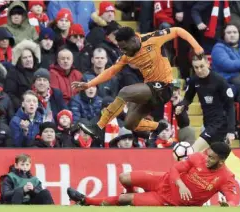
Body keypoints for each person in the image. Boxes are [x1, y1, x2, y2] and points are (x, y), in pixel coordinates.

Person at [72, 26, 203, 139]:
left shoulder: (152, 38)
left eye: (125, 47)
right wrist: (89, 84)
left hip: (164, 87)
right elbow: (111, 71)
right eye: (121, 48)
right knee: (130, 124)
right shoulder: (126, 56)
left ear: (134, 39)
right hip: (150, 91)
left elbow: (178, 30)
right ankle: (158, 126)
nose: (123, 51)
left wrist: (196, 46)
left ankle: (98, 126)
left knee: (124, 92)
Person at [177, 53, 240, 205]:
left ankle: (186, 189)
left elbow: (230, 107)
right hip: (208, 124)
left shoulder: (219, 81)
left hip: (219, 125)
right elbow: (188, 97)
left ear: (208, 64)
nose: (199, 70)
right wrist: (182, 105)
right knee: (226, 161)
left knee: (192, 152)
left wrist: (231, 130)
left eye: (202, 66)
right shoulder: (194, 81)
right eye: (196, 67)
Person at [67, 142, 239, 206]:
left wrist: (227, 207)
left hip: (168, 201)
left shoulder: (225, 177)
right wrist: (181, 184)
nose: (206, 158)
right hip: (163, 180)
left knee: (124, 200)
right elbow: (174, 170)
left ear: (221, 161)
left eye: (211, 158)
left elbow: (232, 201)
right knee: (124, 177)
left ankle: (85, 201)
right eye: (207, 154)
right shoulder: (198, 157)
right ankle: (131, 193)